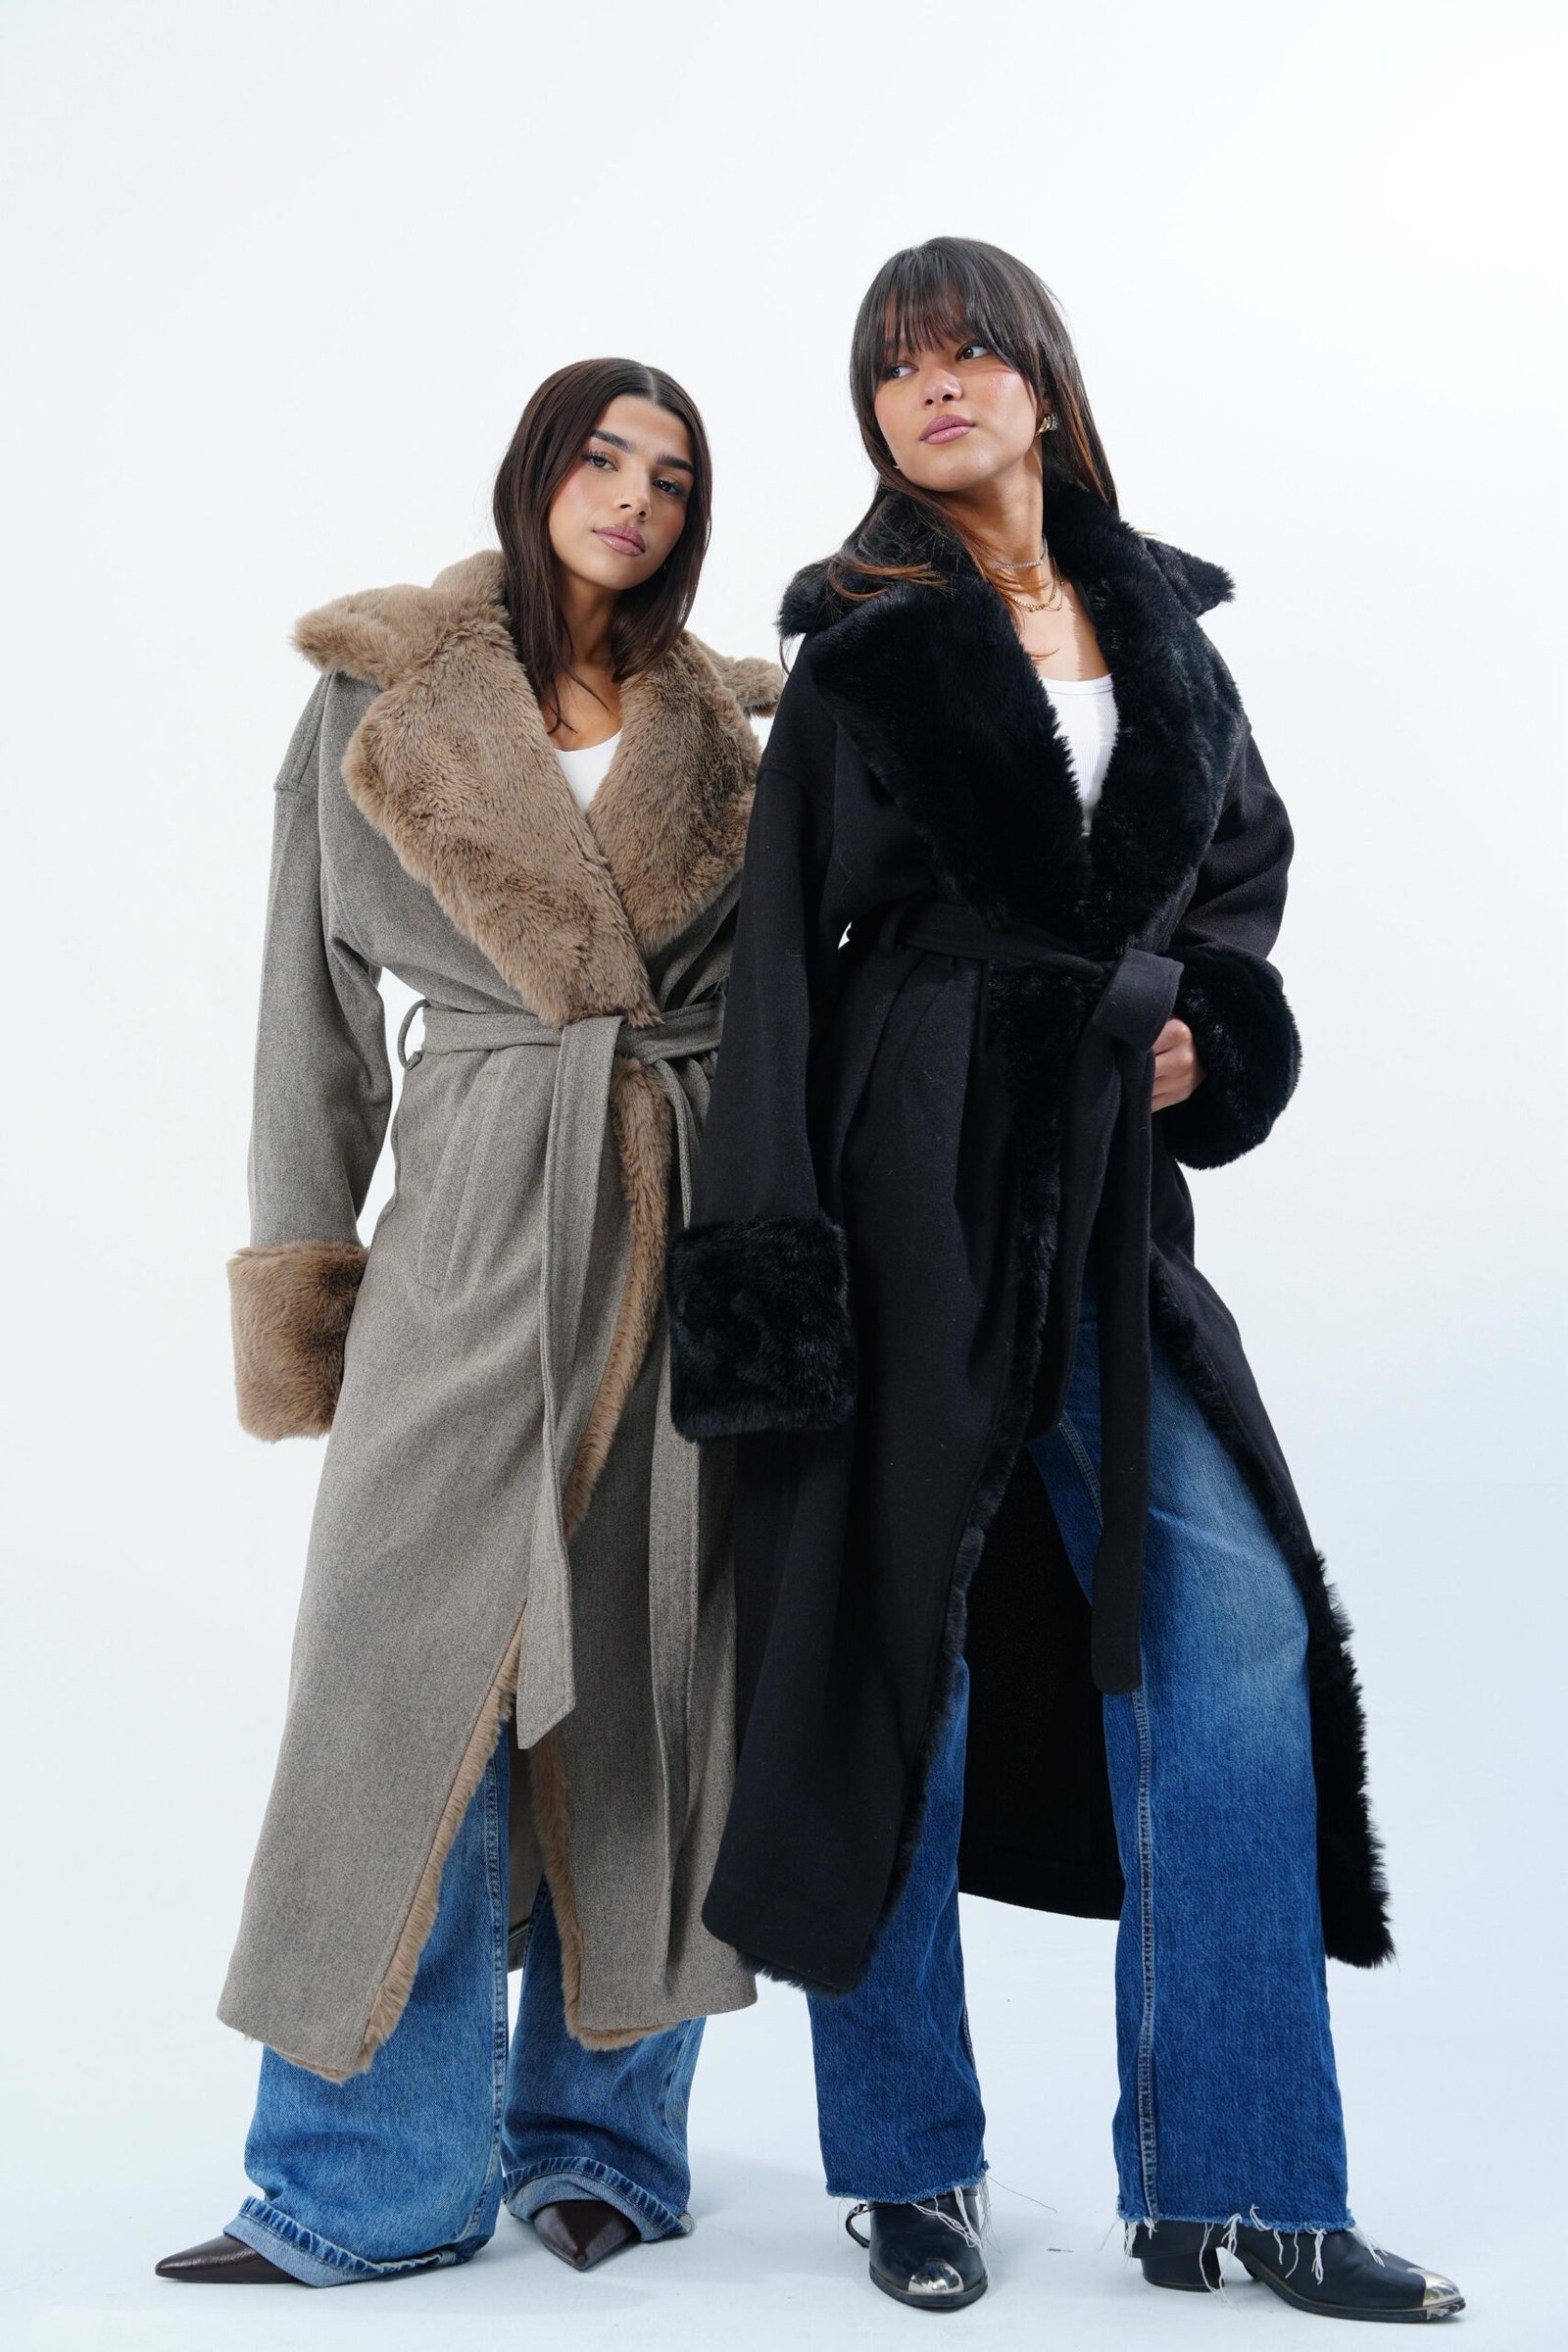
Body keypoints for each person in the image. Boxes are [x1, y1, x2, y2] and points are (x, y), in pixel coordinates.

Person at [665, 239, 1463, 2324]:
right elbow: (782, 972)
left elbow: (1239, 889)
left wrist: (1210, 1026)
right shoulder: (859, 658)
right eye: (893, 368)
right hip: (902, 1179)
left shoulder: (1166, 638)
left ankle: (1239, 2184)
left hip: (1111, 1206)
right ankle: (907, 2167)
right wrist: (770, 1281)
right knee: (894, 1661)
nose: (932, 388)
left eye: (965, 353)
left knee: (1232, 1630)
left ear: (1039, 379)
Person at [157, 357, 780, 2288]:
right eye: (602, 457)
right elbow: (311, 1021)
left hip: (675, 1218)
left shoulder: (738, 727)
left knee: (652, 1683)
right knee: (394, 1685)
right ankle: (360, 2182)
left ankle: (604, 2140)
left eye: (672, 476)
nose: (634, 496)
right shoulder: (380, 696)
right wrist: (304, 1274)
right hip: (467, 1227)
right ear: (535, 471)